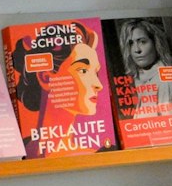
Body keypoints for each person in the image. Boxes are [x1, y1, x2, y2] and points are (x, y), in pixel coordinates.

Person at [7, 20, 106, 156]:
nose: (98, 85)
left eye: (96, 73)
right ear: (45, 78)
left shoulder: (103, 152)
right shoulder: (18, 150)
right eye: (83, 70)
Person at [116, 18, 172, 115]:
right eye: (131, 44)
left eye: (142, 42)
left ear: (156, 43)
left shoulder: (169, 84)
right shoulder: (141, 84)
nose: (136, 49)